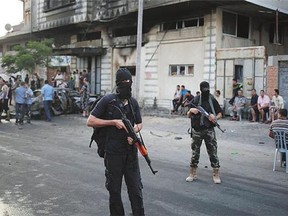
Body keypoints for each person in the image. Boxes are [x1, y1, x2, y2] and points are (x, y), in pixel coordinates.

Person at [87, 68, 145, 216]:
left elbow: (139, 123)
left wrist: (134, 130)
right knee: (114, 191)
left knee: (136, 190)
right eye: (125, 83)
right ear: (118, 83)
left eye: (129, 82)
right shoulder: (108, 100)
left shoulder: (133, 103)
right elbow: (90, 121)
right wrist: (113, 122)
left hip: (131, 153)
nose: (128, 85)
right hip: (113, 153)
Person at [186, 81, 222, 184]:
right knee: (195, 153)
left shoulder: (212, 100)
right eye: (204, 90)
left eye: (207, 89)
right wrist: (191, 110)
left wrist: (215, 117)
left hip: (209, 130)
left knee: (213, 152)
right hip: (197, 130)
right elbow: (188, 114)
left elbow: (220, 114)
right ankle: (192, 173)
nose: (206, 91)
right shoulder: (196, 100)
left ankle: (216, 174)